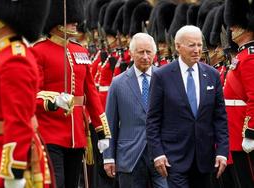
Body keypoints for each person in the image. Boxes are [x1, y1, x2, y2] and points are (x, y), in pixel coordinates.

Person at [32, 0, 111, 188]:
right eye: (71, 20)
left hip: (77, 134)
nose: (76, 23)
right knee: (55, 182)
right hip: (49, 132)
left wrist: (102, 131)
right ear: (55, 21)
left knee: (73, 183)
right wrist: (53, 100)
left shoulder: (80, 51)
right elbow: (32, 93)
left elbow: (90, 94)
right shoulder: (38, 52)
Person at [146, 25, 229, 188]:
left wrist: (222, 151)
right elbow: (153, 120)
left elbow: (220, 118)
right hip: (174, 158)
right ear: (177, 47)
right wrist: (158, 154)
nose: (197, 50)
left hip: (205, 158)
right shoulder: (161, 76)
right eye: (192, 45)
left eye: (199, 45)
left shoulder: (212, 75)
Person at [0, 0, 52, 188]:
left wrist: (13, 174)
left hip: (2, 163)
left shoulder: (15, 60)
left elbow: (18, 123)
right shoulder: (2, 55)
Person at [103, 32, 168, 188]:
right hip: (130, 156)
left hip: (162, 153)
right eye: (140, 52)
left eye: (149, 52)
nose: (145, 57)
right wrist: (108, 157)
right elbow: (109, 124)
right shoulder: (118, 83)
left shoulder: (166, 80)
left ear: (154, 53)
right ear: (131, 53)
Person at [223, 0, 254, 187]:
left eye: (236, 24)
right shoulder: (242, 56)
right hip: (234, 131)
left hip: (244, 133)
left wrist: (251, 132)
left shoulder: (250, 56)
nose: (231, 28)